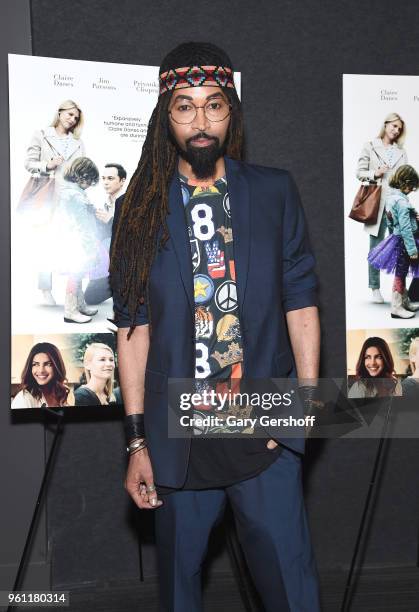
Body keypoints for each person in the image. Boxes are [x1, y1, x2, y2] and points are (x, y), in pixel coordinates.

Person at [110, 42, 321, 611]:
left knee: (292, 590)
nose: (200, 121)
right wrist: (136, 442)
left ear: (233, 112)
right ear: (166, 117)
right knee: (181, 595)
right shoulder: (138, 208)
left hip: (264, 430)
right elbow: (133, 330)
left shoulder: (274, 191)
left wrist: (299, 408)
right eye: (185, 106)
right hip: (178, 438)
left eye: (214, 105)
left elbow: (301, 301)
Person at [23, 100, 86, 306]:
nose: (72, 120)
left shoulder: (78, 142)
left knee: (73, 244)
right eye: (69, 115)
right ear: (59, 113)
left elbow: (82, 168)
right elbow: (29, 163)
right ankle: (45, 289)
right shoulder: (41, 135)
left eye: (75, 118)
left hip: (69, 198)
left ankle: (73, 294)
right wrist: (48, 165)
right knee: (46, 243)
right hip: (48, 195)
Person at [356, 113, 408, 304]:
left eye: (399, 129)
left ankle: (399, 291)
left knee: (402, 249)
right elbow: (359, 173)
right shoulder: (370, 146)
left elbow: (405, 181)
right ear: (385, 124)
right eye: (394, 126)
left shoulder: (401, 152)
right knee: (376, 248)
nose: (396, 131)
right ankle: (374, 288)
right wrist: (375, 173)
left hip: (396, 207)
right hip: (377, 206)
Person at [54, 157, 101, 324]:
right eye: (90, 181)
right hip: (78, 243)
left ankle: (80, 305)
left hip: (73, 240)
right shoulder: (76, 196)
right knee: (75, 275)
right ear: (83, 175)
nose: (90, 185)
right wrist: (90, 244)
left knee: (79, 274)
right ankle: (70, 310)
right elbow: (83, 224)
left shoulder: (68, 192)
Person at [368, 165, 419, 318]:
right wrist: (412, 250)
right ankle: (396, 307)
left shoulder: (390, 198)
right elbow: (406, 229)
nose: (412, 190)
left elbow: (390, 221)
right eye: (413, 187)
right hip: (404, 242)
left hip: (396, 240)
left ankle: (404, 301)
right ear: (407, 183)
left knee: (401, 272)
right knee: (400, 274)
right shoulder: (402, 202)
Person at [84, 163, 127, 305]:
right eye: (103, 178)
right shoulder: (106, 203)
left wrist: (110, 220)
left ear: (122, 181)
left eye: (110, 178)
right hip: (106, 261)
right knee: (90, 297)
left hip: (125, 260)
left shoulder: (132, 201)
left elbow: (135, 234)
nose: (106, 182)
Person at [12, 342, 70, 408]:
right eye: (36, 364)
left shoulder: (61, 393)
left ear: (57, 366)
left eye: (48, 364)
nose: (41, 370)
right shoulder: (23, 399)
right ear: (30, 367)